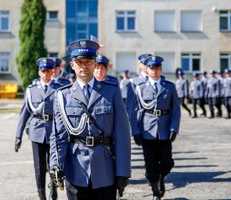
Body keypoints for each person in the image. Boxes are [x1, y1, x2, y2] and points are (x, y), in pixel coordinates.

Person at [49, 39, 131, 200]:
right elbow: (58, 136)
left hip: (105, 169)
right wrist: (56, 165)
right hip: (76, 170)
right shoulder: (62, 96)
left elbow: (122, 135)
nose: (84, 66)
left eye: (88, 61)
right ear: (72, 65)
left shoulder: (112, 92)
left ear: (95, 64)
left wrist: (123, 172)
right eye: (79, 62)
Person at [126, 56, 181, 200]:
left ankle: (161, 177)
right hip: (147, 131)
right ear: (147, 69)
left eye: (157, 68)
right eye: (151, 68)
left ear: (161, 69)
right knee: (150, 164)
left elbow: (176, 109)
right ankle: (155, 189)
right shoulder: (140, 88)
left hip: (164, 130)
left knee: (167, 162)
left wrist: (174, 128)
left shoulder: (169, 86)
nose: (154, 71)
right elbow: (133, 110)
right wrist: (135, 131)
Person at [15, 58, 62, 200]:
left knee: (54, 164)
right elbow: (24, 114)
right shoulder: (31, 91)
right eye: (43, 70)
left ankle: (53, 190)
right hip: (37, 132)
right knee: (39, 167)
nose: (46, 73)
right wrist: (18, 136)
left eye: (48, 70)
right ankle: (42, 195)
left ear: (52, 71)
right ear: (39, 72)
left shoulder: (59, 88)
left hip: (54, 131)